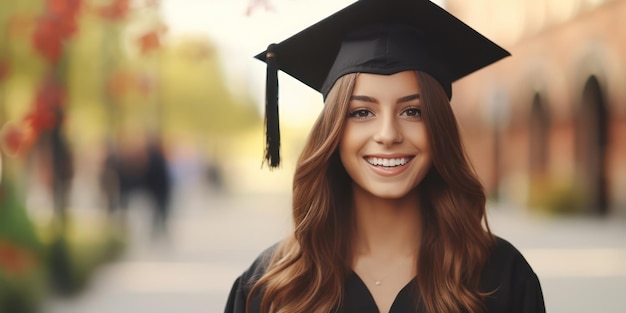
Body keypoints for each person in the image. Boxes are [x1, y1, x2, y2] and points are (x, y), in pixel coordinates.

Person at [225, 0, 546, 312]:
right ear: (333, 132)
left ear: (439, 128)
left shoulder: (501, 278)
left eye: (412, 111)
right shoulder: (271, 287)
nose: (388, 134)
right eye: (362, 112)